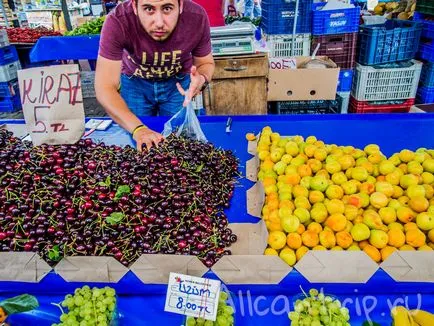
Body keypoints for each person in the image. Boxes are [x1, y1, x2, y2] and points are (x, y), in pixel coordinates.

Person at [95, 0, 215, 151]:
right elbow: (104, 86)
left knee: (181, 146)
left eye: (167, 8)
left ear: (181, 5)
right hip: (135, 84)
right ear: (134, 6)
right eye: (148, 9)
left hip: (178, 85)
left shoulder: (196, 17)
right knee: (137, 146)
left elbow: (206, 63)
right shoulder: (118, 21)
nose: (159, 23)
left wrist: (202, 78)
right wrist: (138, 129)